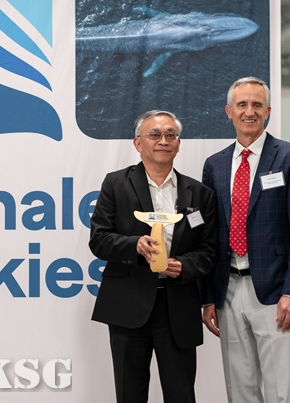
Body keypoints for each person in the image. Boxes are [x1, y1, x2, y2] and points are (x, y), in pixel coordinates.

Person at [201, 76, 290, 403]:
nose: (249, 111)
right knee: (240, 390)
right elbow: (208, 235)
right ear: (229, 111)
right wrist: (207, 297)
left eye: (256, 105)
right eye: (242, 104)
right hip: (227, 289)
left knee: (280, 391)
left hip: (275, 292)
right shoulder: (215, 165)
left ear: (268, 111)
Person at [90, 110, 217, 403]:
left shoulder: (199, 194)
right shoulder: (116, 184)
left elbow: (209, 251)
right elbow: (99, 240)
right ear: (138, 143)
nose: (164, 141)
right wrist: (134, 245)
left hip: (178, 307)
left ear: (178, 144)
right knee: (130, 395)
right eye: (155, 135)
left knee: (181, 394)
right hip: (128, 304)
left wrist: (184, 265)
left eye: (171, 135)